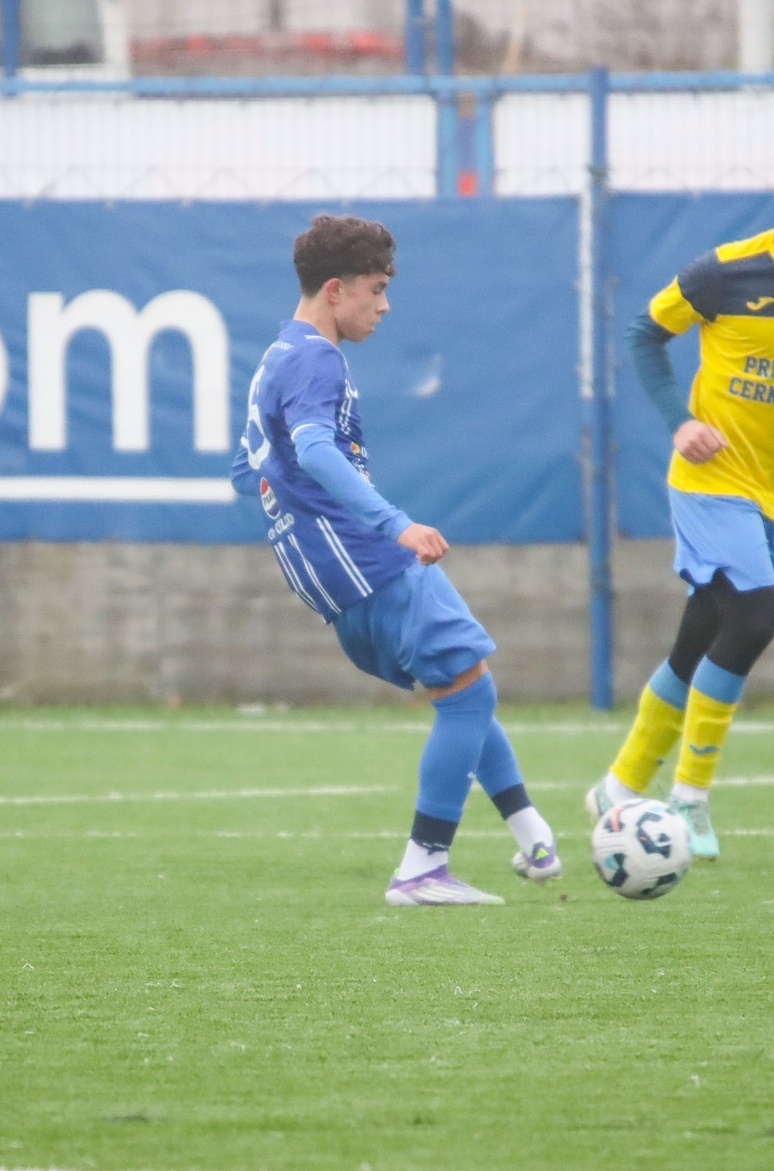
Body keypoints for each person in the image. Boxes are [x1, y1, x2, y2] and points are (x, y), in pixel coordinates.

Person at [232, 213, 559, 907]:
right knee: (470, 691)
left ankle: (531, 832)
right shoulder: (316, 357)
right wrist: (396, 524)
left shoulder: (276, 356)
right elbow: (314, 451)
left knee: (463, 683)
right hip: (364, 558)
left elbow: (249, 469)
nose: (384, 306)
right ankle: (422, 868)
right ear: (335, 290)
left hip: (336, 574)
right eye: (376, 289)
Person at [587, 131, 774, 860]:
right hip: (710, 480)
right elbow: (643, 335)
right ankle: (689, 797)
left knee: (702, 633)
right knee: (755, 616)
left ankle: (619, 785)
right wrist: (680, 421)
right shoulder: (722, 272)